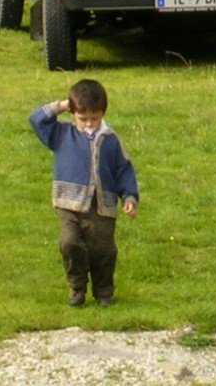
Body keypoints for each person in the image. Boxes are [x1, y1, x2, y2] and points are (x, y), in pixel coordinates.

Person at [29, 79, 139, 308]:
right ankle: (77, 287)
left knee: (103, 250)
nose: (89, 124)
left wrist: (129, 196)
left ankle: (104, 292)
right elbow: (36, 119)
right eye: (83, 119)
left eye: (95, 119)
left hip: (101, 205)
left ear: (103, 114)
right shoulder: (61, 134)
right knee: (70, 244)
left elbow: (124, 169)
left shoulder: (111, 140)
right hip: (68, 204)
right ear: (72, 114)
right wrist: (60, 105)